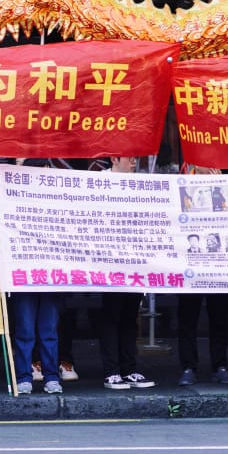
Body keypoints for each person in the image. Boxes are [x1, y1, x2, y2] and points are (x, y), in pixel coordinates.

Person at [0, 158, 64, 395]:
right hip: (23, 274)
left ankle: (51, 376)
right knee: (25, 331)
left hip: (50, 274)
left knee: (48, 331)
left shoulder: (57, 197)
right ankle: (24, 377)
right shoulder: (12, 196)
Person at [96, 156, 155, 390]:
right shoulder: (98, 182)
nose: (134, 162)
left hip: (134, 261)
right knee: (111, 316)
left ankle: (129, 369)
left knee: (130, 317)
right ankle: (111, 371)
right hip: (108, 261)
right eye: (129, 158)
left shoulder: (140, 184)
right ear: (114, 159)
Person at [176, 161, 228, 386]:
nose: (207, 164)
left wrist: (219, 185)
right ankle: (188, 367)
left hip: (218, 262)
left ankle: (220, 365)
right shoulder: (181, 182)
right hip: (190, 263)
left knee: (219, 316)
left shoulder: (224, 184)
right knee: (187, 318)